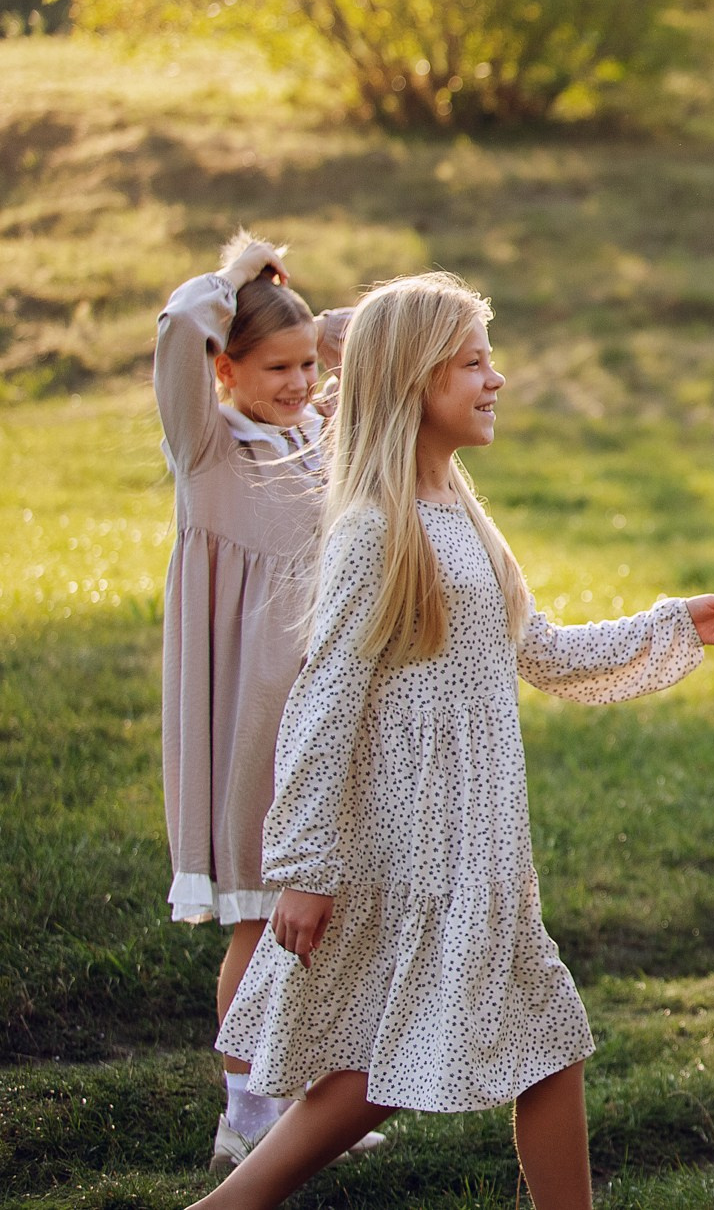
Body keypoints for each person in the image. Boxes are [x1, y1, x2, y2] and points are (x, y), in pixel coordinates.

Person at [196, 272, 714, 1210]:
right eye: (472, 362)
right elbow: (324, 694)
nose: (495, 379)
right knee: (512, 1035)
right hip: (417, 838)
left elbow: (534, 649)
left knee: (409, 1054)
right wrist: (301, 863)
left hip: (476, 836)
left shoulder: (456, 510)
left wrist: (672, 624)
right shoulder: (378, 527)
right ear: (415, 380)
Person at [152, 231, 365, 1168]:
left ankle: (299, 1105)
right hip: (248, 723)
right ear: (224, 368)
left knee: (321, 914)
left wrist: (316, 327)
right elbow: (180, 327)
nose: (296, 380)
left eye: (304, 365)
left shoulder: (316, 433)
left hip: (324, 716)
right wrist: (240, 279)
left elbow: (374, 341)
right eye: (274, 366)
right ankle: (245, 1114)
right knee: (260, 912)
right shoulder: (206, 448)